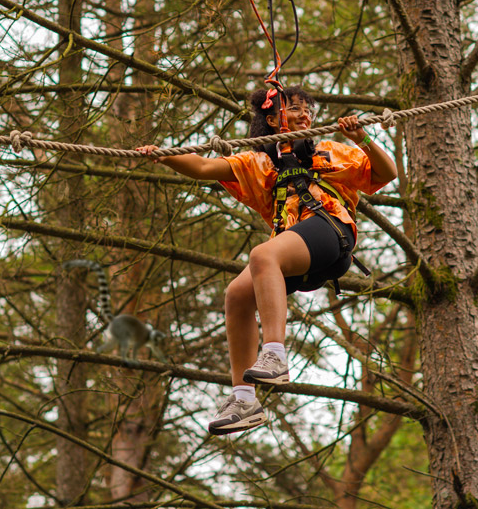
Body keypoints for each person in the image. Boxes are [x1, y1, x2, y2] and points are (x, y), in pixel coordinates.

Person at [136, 85, 397, 435]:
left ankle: (275, 353)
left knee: (262, 254)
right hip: (291, 249)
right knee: (237, 295)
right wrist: (163, 155)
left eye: (309, 110)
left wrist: (362, 138)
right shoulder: (257, 161)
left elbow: (386, 173)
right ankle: (244, 399)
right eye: (296, 109)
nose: (306, 115)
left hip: (331, 231)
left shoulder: (329, 150)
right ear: (273, 119)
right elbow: (200, 166)